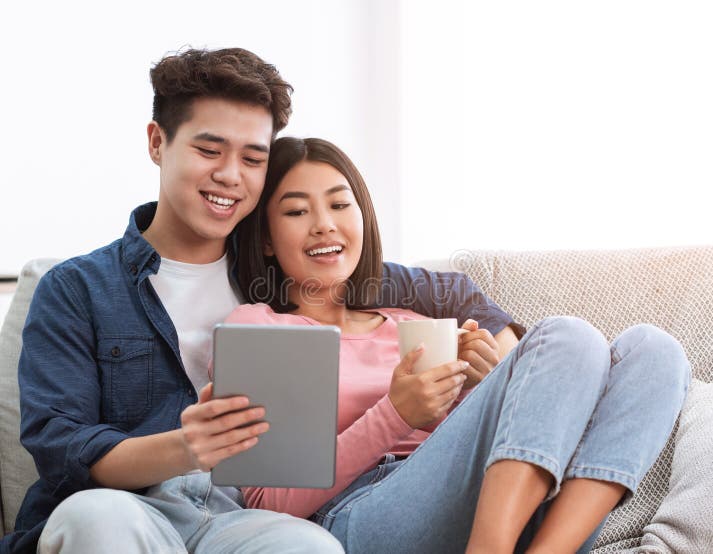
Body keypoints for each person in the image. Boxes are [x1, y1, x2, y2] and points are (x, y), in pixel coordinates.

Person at [2, 48, 519, 554]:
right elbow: (61, 447)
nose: (231, 175)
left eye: (253, 158)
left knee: (310, 546)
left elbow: (453, 293)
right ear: (158, 143)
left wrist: (498, 353)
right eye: (209, 151)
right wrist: (183, 448)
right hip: (120, 506)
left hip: (241, 518)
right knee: (98, 517)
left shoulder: (287, 267)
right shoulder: (77, 288)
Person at [228, 137, 692, 554]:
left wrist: (490, 385)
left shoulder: (412, 323)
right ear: (267, 239)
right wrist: (394, 414)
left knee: (655, 352)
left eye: (339, 206)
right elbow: (269, 503)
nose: (324, 225)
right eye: (296, 211)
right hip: (363, 515)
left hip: (499, 509)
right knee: (567, 336)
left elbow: (476, 447)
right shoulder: (261, 327)